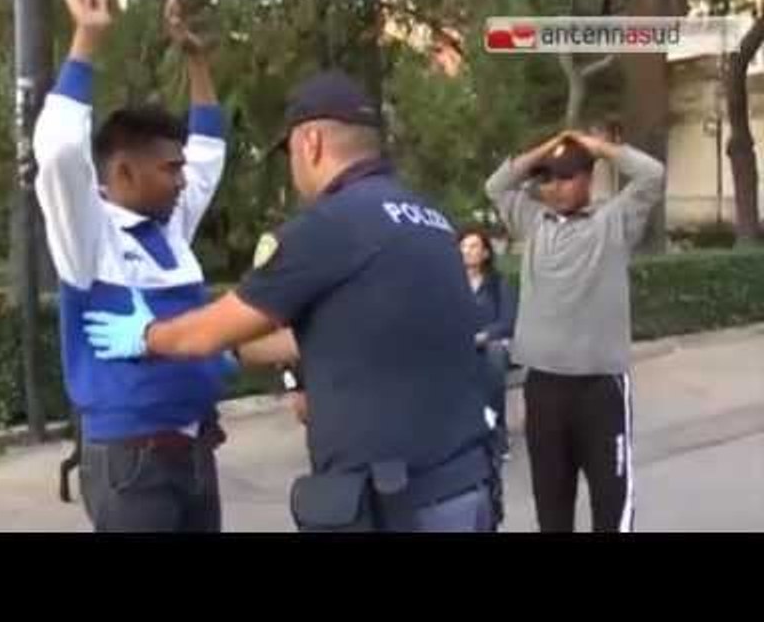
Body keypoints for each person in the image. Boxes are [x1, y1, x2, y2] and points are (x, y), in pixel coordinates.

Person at [81, 70, 497, 532]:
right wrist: (242, 353)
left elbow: (207, 333)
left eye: (290, 154)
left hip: (399, 503)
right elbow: (350, 335)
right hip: (465, 485)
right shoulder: (431, 221)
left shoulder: (330, 226)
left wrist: (145, 334)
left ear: (311, 143)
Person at [34, 0, 232, 532]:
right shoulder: (88, 235)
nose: (183, 179)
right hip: (131, 461)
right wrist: (88, 39)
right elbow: (57, 154)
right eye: (170, 168)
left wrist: (195, 61)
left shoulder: (171, 226)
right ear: (122, 173)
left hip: (193, 449)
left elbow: (210, 153)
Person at [485, 128, 664, 533]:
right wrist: (550, 146)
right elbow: (496, 185)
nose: (557, 187)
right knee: (551, 507)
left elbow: (651, 174)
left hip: (600, 388)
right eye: (548, 178)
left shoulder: (614, 222)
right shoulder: (533, 224)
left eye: (568, 176)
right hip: (544, 387)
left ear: (588, 177)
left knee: (610, 505)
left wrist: (597, 147)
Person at [458, 228, 517, 458]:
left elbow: (507, 321)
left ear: (485, 253)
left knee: (493, 357)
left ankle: (498, 434)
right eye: (463, 247)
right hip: (460, 346)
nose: (467, 251)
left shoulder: (498, 284)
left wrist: (483, 336)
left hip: (492, 344)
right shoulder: (451, 284)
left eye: (473, 247)